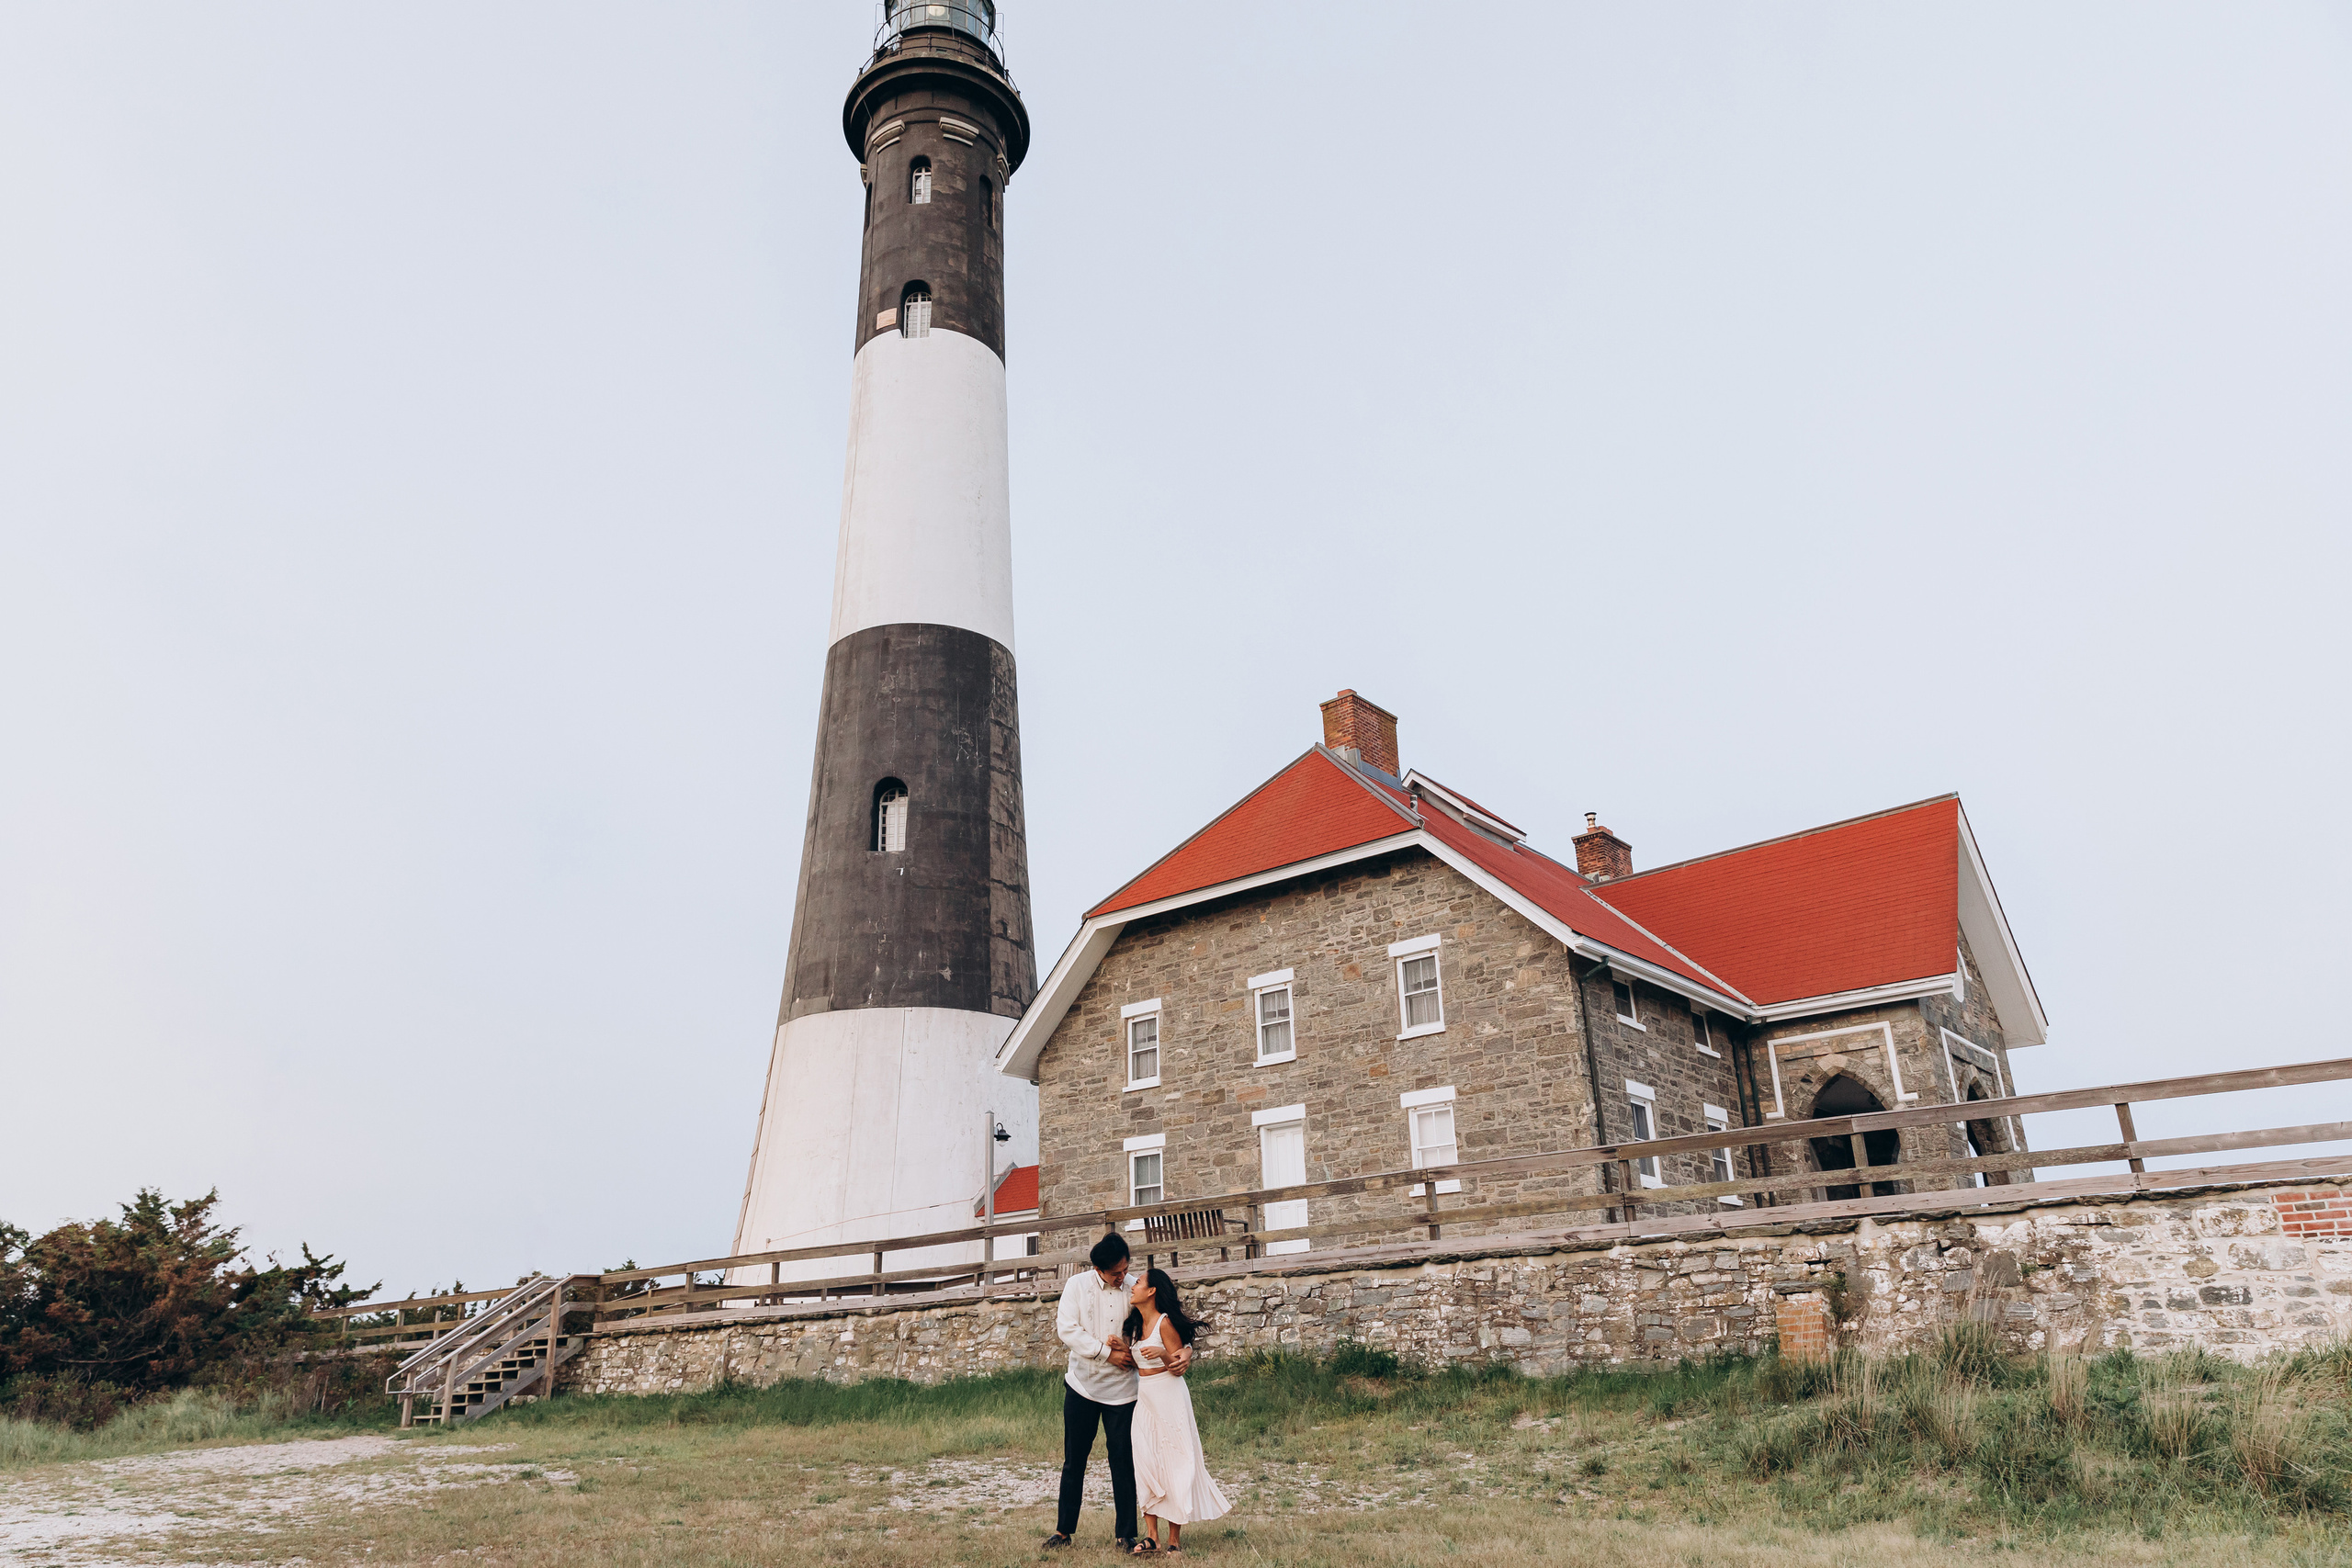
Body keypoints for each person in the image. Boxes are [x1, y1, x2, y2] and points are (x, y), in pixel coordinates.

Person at [1046, 1233, 1188, 1551]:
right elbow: (1067, 1329)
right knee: (1074, 1461)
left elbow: (1167, 1320)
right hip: (1081, 1385)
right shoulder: (1076, 1286)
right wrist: (1105, 1353)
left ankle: (1126, 1533)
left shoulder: (1137, 1288)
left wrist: (1187, 1348)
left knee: (1123, 1461)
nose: (1123, 1277)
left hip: (1124, 1393)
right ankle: (1064, 1531)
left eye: (1126, 1270)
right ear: (1098, 1268)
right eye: (1116, 1273)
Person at [1126, 1267, 1230, 1554]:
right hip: (1145, 1398)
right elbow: (1139, 1365)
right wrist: (1119, 1350)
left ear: (1152, 1291)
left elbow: (1176, 1366)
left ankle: (1174, 1540)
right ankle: (1151, 1537)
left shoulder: (1164, 1323)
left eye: (1139, 1283)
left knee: (1174, 1461)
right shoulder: (1135, 1326)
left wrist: (1162, 1353)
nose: (1133, 1286)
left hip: (1169, 1396)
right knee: (1146, 1461)